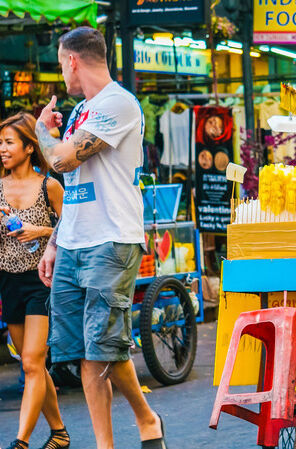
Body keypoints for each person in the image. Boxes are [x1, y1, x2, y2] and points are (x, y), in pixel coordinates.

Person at [33, 27, 166, 449]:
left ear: (72, 60)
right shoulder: (80, 113)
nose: (62, 74)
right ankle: (126, 432)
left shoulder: (118, 104)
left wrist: (42, 132)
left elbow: (61, 159)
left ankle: (140, 424)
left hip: (111, 240)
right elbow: (73, 185)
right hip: (73, 240)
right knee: (83, 353)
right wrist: (55, 241)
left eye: (60, 64)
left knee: (101, 350)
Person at [0, 113, 68, 449]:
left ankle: (21, 441)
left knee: (31, 361)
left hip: (40, 282)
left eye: (9, 142)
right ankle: (59, 432)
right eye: (0, 143)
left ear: (29, 147)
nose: (2, 148)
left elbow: (73, 226)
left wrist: (41, 230)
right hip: (9, 284)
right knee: (32, 366)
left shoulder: (49, 186)